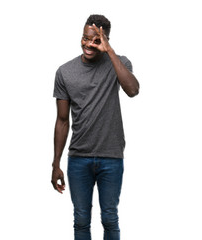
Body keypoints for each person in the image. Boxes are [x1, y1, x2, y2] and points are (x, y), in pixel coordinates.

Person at [50, 14, 139, 240]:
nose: (89, 44)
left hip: (111, 155)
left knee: (110, 218)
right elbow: (62, 121)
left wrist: (109, 51)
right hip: (79, 157)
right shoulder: (65, 72)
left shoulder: (120, 62)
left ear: (105, 39)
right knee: (81, 219)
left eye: (96, 40)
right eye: (85, 38)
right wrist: (56, 163)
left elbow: (133, 90)